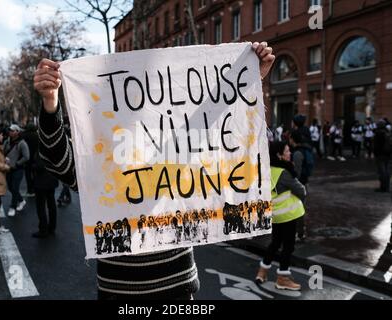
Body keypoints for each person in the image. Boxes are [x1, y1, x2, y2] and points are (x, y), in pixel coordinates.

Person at [33, 41, 275, 300]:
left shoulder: (178, 151)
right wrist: (51, 102)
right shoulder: (100, 161)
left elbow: (215, 129)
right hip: (120, 292)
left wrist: (247, 78)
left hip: (178, 291)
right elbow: (57, 159)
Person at [255, 141, 306, 291]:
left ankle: (262, 272)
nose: (290, 153)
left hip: (275, 215)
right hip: (288, 215)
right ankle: (283, 278)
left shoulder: (267, 169)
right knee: (288, 246)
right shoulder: (284, 173)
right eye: (287, 151)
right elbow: (301, 190)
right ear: (279, 155)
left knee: (275, 243)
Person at [3, 124, 30, 217]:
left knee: (15, 188)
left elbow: (27, 157)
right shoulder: (7, 141)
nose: (10, 132)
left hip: (18, 169)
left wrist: (17, 164)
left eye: (12, 130)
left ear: (17, 132)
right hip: (8, 168)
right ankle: (21, 201)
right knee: (10, 188)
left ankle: (13, 207)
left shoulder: (22, 143)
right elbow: (3, 151)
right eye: (9, 130)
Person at [32, 149, 59, 238]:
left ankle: (43, 229)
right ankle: (52, 227)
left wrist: (33, 166)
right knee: (51, 205)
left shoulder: (41, 151)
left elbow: (40, 166)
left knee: (40, 206)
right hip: (52, 179)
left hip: (41, 182)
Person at [21, 123, 39, 197]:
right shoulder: (37, 135)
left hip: (27, 157)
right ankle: (35, 188)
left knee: (27, 174)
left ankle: (29, 189)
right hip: (35, 157)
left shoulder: (24, 135)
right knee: (35, 174)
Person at [373, 120, 391, 192]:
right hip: (388, 153)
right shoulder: (387, 132)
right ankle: (387, 187)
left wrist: (375, 153)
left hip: (380, 154)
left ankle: (383, 187)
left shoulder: (378, 133)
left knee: (382, 171)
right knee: (387, 170)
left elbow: (376, 145)